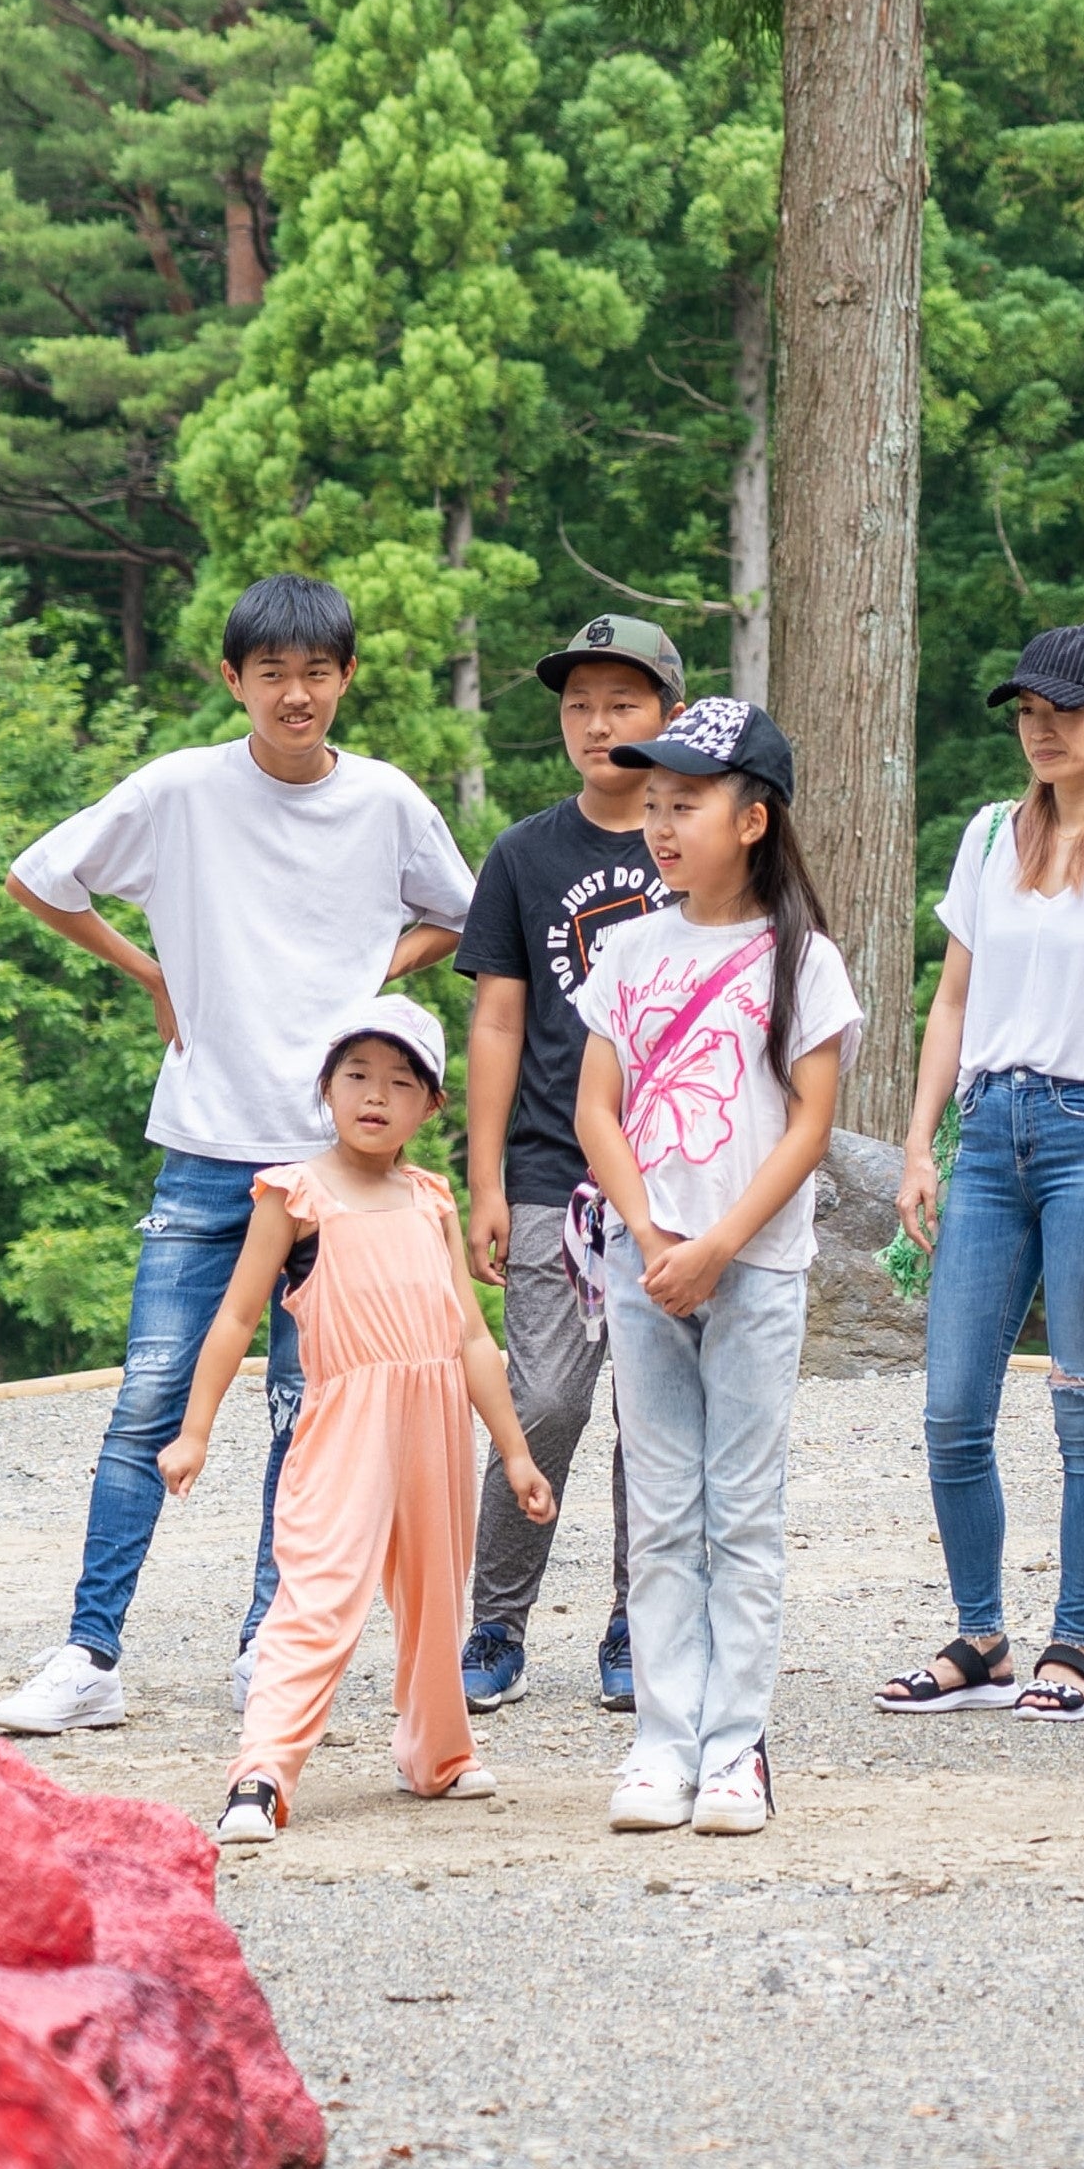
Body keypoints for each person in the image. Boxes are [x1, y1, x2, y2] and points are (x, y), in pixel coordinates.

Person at [0, 575, 477, 1740]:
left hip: (335, 1164)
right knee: (149, 1400)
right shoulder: (180, 790)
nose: (295, 694)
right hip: (207, 1143)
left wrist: (372, 971)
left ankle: (271, 1644)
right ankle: (88, 1653)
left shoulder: (386, 801)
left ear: (346, 677)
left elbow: (463, 911)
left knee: (309, 1414)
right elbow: (39, 877)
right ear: (232, 679)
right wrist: (150, 970)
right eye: (271, 674)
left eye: (316, 673)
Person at [882, 626, 1084, 1725]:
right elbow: (952, 1001)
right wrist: (918, 1143)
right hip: (987, 1129)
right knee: (951, 1406)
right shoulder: (987, 835)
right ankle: (979, 1635)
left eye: (1064, 709)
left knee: (1081, 1401)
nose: (1040, 727)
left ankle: (1075, 1640)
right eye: (1026, 708)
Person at [573, 698, 860, 1836]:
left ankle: (735, 1747)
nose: (660, 824)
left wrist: (719, 1244)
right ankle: (661, 1741)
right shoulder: (629, 949)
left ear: (752, 818)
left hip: (755, 1268)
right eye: (653, 803)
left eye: (685, 803)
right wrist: (651, 1239)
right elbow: (595, 1108)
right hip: (643, 1267)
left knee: (740, 1511)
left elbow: (809, 1125)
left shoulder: (803, 959)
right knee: (658, 1511)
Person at [194, 1002, 555, 1846]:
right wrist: (194, 1431)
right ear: (326, 1087)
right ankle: (261, 1773)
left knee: (436, 1592)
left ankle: (438, 1754)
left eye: (401, 1082)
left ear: (431, 1105)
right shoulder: (294, 1194)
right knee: (316, 1592)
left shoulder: (430, 1199)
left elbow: (472, 1337)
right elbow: (235, 1318)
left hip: (436, 1420)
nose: (376, 1095)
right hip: (345, 1421)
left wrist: (515, 1452)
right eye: (356, 1075)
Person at [454, 614, 686, 1715]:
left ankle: (639, 1620)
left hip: (679, 1173)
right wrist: (485, 1179)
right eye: (578, 705)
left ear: (670, 714)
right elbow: (498, 1020)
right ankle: (496, 1618)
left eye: (622, 703)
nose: (597, 724)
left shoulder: (707, 841)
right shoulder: (524, 854)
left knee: (656, 1411)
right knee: (544, 1397)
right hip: (553, 1167)